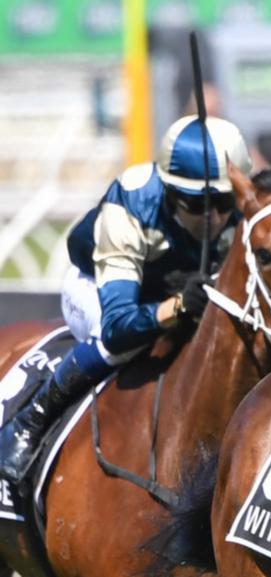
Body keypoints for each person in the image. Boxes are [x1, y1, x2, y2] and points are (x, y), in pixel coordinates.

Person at [0, 115, 252, 483]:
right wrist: (179, 306)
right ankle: (31, 421)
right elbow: (120, 323)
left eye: (224, 202)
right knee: (125, 342)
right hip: (97, 286)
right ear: (169, 193)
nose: (213, 218)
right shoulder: (132, 202)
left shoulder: (243, 210)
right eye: (196, 205)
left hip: (169, 289)